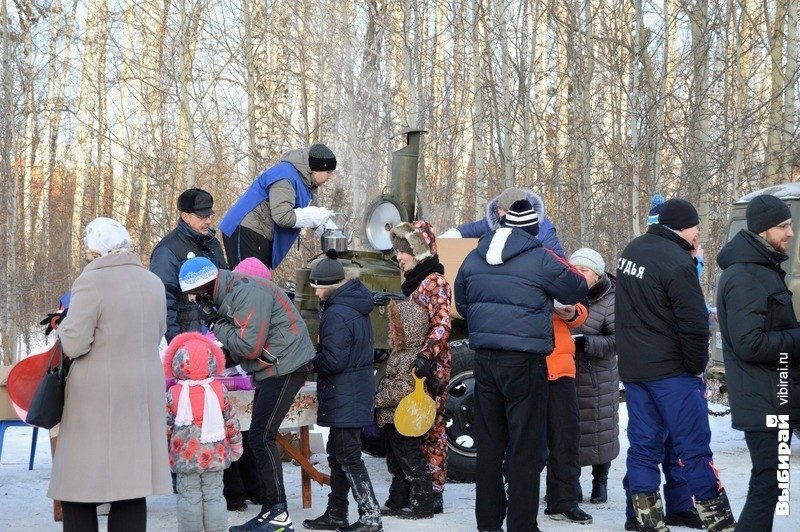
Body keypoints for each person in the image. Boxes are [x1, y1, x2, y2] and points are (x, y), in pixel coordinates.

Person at [454, 200, 588, 532]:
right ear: (533, 229)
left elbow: (462, 302)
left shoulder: (474, 256)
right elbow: (577, 287)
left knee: (490, 446)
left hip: (484, 361)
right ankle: (522, 525)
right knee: (525, 450)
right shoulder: (540, 257)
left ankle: (487, 523)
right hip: (526, 363)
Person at [616, 198, 735, 532]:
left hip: (636, 369)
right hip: (672, 372)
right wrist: (696, 367)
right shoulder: (676, 262)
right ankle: (719, 520)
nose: (699, 234)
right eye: (697, 227)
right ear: (684, 226)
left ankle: (645, 519)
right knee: (693, 448)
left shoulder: (632, 251)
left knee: (643, 446)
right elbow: (694, 323)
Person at [49, 217, 172, 531]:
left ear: (95, 250)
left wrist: (62, 323)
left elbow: (75, 343)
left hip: (96, 395)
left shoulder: (91, 281)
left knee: (79, 484)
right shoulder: (152, 281)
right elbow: (158, 332)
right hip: (142, 390)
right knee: (130, 486)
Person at [177, 257, 315, 532]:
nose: (193, 300)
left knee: (261, 436)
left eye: (193, 294)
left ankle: (278, 513)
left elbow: (249, 347)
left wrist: (216, 324)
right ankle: (271, 510)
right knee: (259, 436)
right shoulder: (229, 291)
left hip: (286, 364)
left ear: (205, 287)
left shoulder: (245, 292)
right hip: (273, 365)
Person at [716, 194, 800, 532]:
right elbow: (749, 344)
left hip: (773, 395)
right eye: (783, 226)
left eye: (791, 225)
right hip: (763, 398)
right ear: (763, 230)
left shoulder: (763, 269)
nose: (790, 233)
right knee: (768, 483)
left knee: (771, 482)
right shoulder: (746, 276)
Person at [302, 250, 383, 532]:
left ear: (325, 286)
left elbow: (334, 360)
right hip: (353, 390)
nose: (316, 292)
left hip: (345, 392)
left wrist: (310, 360)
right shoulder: (354, 305)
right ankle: (336, 512)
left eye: (317, 286)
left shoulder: (336, 313)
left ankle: (370, 516)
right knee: (338, 454)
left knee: (348, 456)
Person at [389, 219, 452, 516]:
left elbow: (441, 324)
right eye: (398, 249)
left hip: (431, 367)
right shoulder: (415, 281)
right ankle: (417, 490)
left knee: (432, 427)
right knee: (414, 426)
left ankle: (434, 492)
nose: (399, 255)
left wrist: (426, 357)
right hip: (415, 365)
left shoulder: (435, 281)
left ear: (420, 250)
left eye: (404, 249)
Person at [164, 332, 244, 532]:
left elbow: (164, 426)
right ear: (211, 360)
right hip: (214, 454)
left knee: (188, 495)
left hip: (185, 456)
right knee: (215, 493)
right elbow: (231, 421)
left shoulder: (173, 394)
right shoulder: (219, 390)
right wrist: (235, 446)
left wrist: (162, 450)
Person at [219, 143, 338, 269]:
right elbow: (283, 217)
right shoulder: (285, 176)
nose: (330, 177)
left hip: (260, 234)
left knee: (259, 283)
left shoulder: (306, 183)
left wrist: (336, 234)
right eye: (328, 172)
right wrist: (316, 215)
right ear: (316, 168)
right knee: (247, 281)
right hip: (245, 230)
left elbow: (314, 211)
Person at [374, 300, 437, 520]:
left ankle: (422, 506)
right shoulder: (399, 353)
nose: (391, 328)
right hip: (392, 418)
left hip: (404, 419)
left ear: (408, 329)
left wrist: (377, 400)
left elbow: (402, 389)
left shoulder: (413, 358)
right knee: (397, 464)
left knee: (411, 463)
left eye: (396, 325)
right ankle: (397, 501)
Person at [568, 249, 619, 506]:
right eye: (574, 268)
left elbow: (617, 340)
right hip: (570, 375)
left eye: (584, 270)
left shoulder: (611, 298)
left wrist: (586, 343)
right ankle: (572, 483)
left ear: (597, 275)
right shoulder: (566, 294)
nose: (578, 273)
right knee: (572, 433)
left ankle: (600, 483)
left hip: (599, 376)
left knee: (601, 431)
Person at [150, 187, 228, 343]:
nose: (208, 221)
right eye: (202, 216)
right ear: (185, 216)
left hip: (219, 330)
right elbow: (162, 300)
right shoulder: (166, 250)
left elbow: (226, 279)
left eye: (209, 215)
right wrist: (176, 342)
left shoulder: (212, 242)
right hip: (187, 335)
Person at [543, 300, 592, 525]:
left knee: (566, 437)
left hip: (560, 368)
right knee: (522, 439)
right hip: (524, 364)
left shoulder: (557, 265)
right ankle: (516, 496)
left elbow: (580, 306)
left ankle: (563, 502)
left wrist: (573, 311)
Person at [438, 186, 565, 257]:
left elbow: (558, 261)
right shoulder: (492, 223)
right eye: (499, 208)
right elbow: (465, 231)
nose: (500, 213)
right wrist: (438, 242)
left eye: (505, 210)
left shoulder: (544, 230)